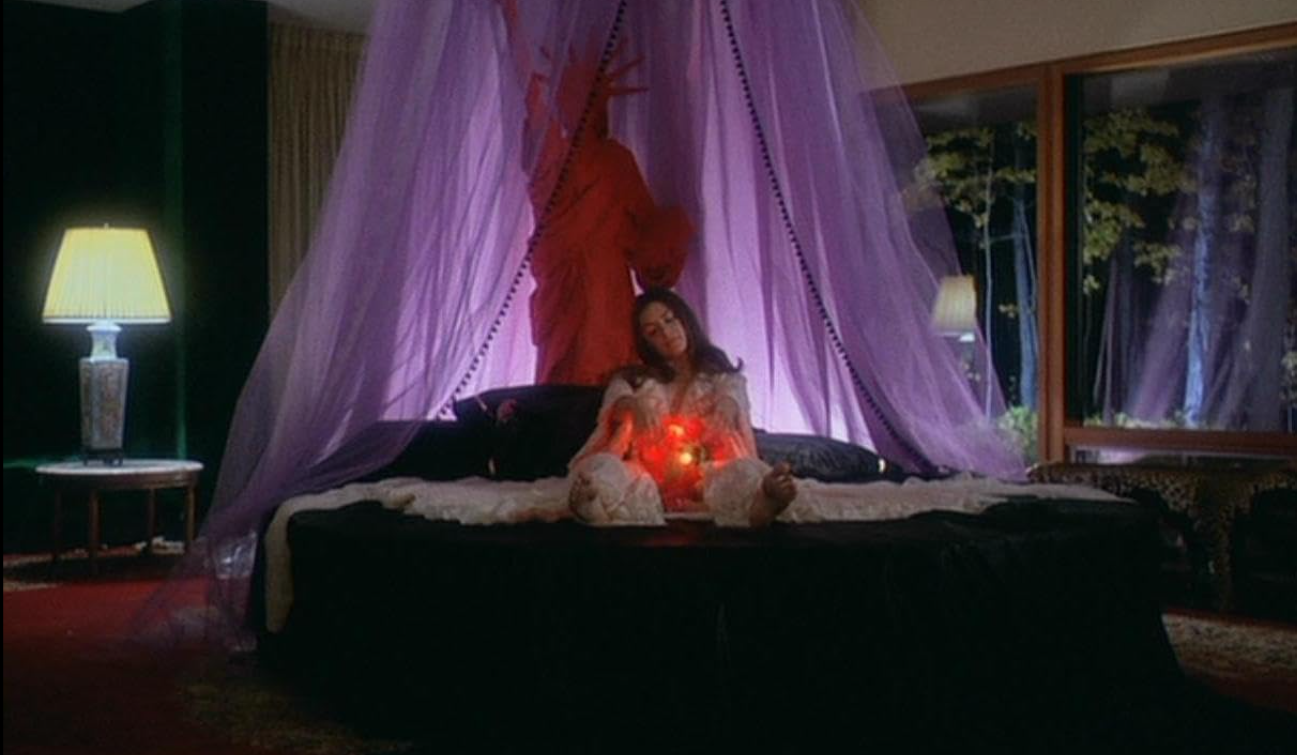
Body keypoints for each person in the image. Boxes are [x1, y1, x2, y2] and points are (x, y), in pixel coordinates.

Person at [501, 1, 694, 386]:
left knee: (609, 374)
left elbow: (646, 231)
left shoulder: (614, 158)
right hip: (572, 284)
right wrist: (512, 21)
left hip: (605, 287)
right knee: (575, 372)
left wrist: (666, 238)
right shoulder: (559, 154)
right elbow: (531, 95)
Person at [568, 288, 796, 527]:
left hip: (705, 474)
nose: (666, 333)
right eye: (653, 332)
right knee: (606, 468)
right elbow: (617, 395)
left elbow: (733, 389)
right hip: (650, 474)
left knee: (741, 471)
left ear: (684, 319)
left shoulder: (719, 377)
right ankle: (594, 506)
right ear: (646, 343)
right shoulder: (639, 379)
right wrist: (632, 405)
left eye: (669, 320)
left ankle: (761, 505)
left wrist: (729, 404)